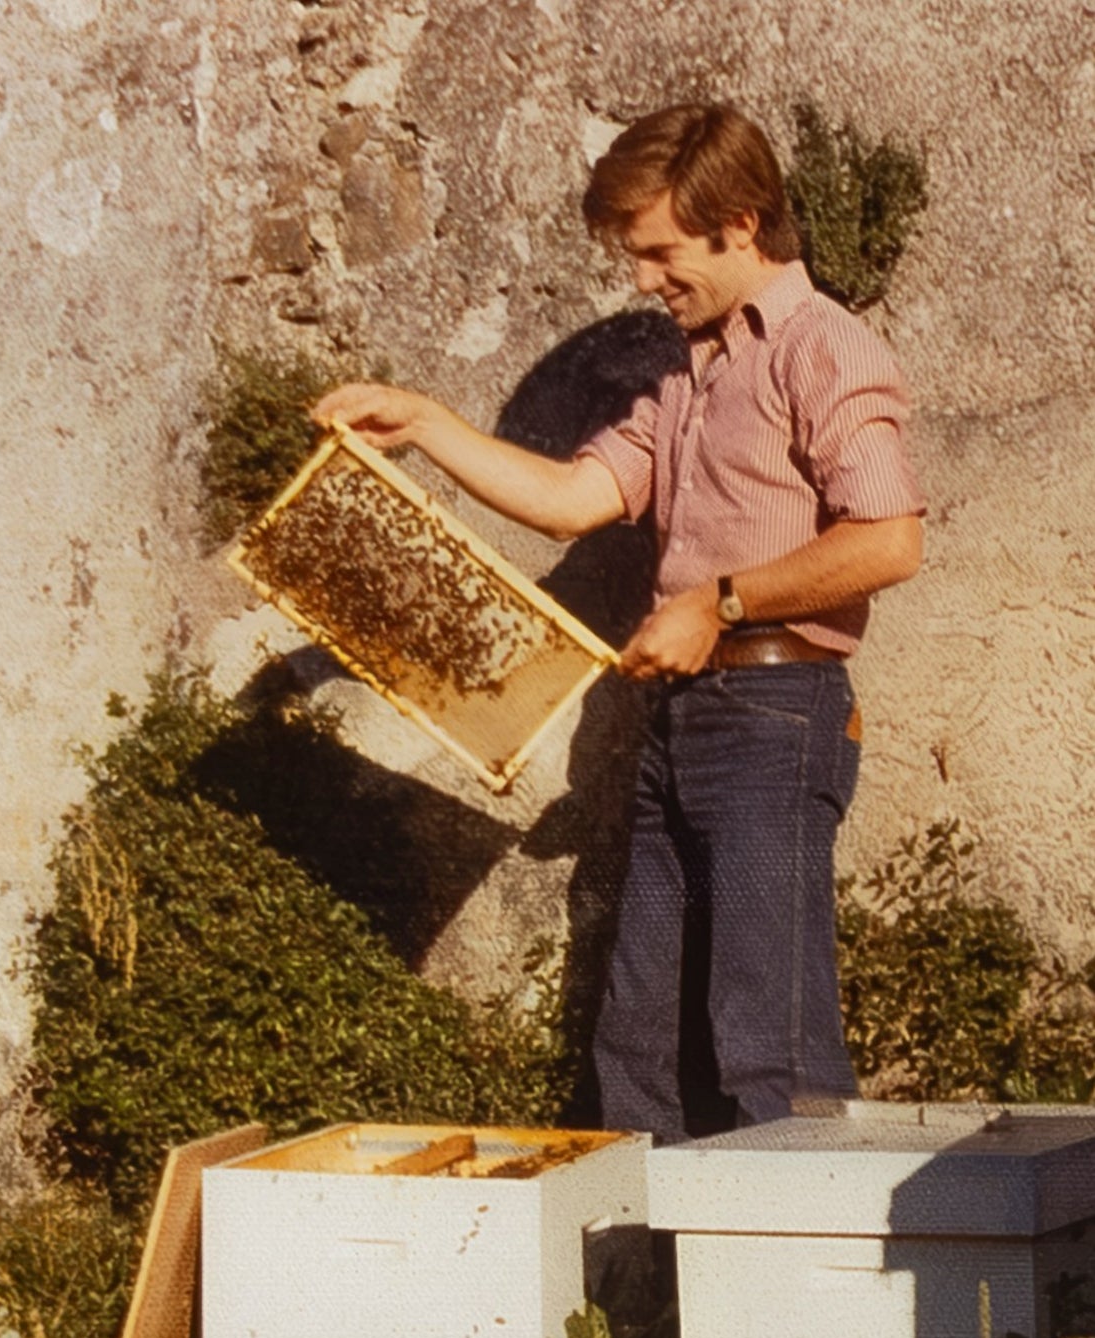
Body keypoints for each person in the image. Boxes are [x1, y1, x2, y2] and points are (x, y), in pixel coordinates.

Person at [312, 102, 924, 1142]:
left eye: (659, 252)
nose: (643, 280)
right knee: (636, 1045)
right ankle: (638, 1303)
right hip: (679, 721)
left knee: (771, 1047)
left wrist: (717, 602)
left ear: (739, 223)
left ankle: (799, 1301)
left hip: (778, 712)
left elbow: (889, 538)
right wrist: (426, 423)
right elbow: (571, 498)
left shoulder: (823, 348)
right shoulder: (691, 371)